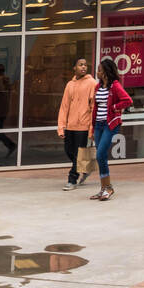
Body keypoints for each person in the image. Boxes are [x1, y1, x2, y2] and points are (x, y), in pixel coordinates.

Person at [90, 56, 134, 201]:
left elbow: (127, 100)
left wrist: (114, 107)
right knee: (101, 156)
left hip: (110, 124)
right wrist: (92, 127)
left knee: (100, 153)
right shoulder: (98, 87)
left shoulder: (115, 85)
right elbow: (95, 108)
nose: (97, 72)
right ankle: (104, 188)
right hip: (98, 124)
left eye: (99, 70)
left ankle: (108, 187)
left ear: (105, 71)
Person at [57, 57, 96, 190]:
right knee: (69, 151)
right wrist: (61, 127)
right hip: (70, 125)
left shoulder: (92, 83)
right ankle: (85, 169)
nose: (83, 67)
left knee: (78, 154)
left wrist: (91, 127)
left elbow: (93, 107)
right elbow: (64, 106)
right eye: (80, 65)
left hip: (83, 125)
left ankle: (72, 179)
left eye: (85, 65)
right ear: (74, 67)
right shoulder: (70, 85)